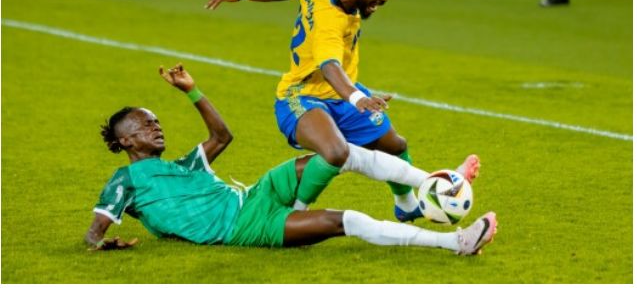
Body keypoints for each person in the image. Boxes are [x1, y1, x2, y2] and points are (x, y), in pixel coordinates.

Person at [85, 63, 497, 254]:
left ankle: (435, 182)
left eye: (156, 122)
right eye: (144, 126)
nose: (156, 128)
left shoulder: (183, 165)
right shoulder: (125, 182)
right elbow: (93, 233)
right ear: (125, 142)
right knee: (343, 221)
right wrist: (101, 245)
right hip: (247, 226)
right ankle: (452, 242)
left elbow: (222, 136)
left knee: (338, 152)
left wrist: (191, 91)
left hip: (257, 193)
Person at [205, 0, 480, 222]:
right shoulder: (330, 23)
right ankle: (295, 213)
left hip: (342, 94)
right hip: (301, 95)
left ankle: (407, 205)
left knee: (395, 145)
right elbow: (329, 68)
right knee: (335, 152)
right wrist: (359, 99)